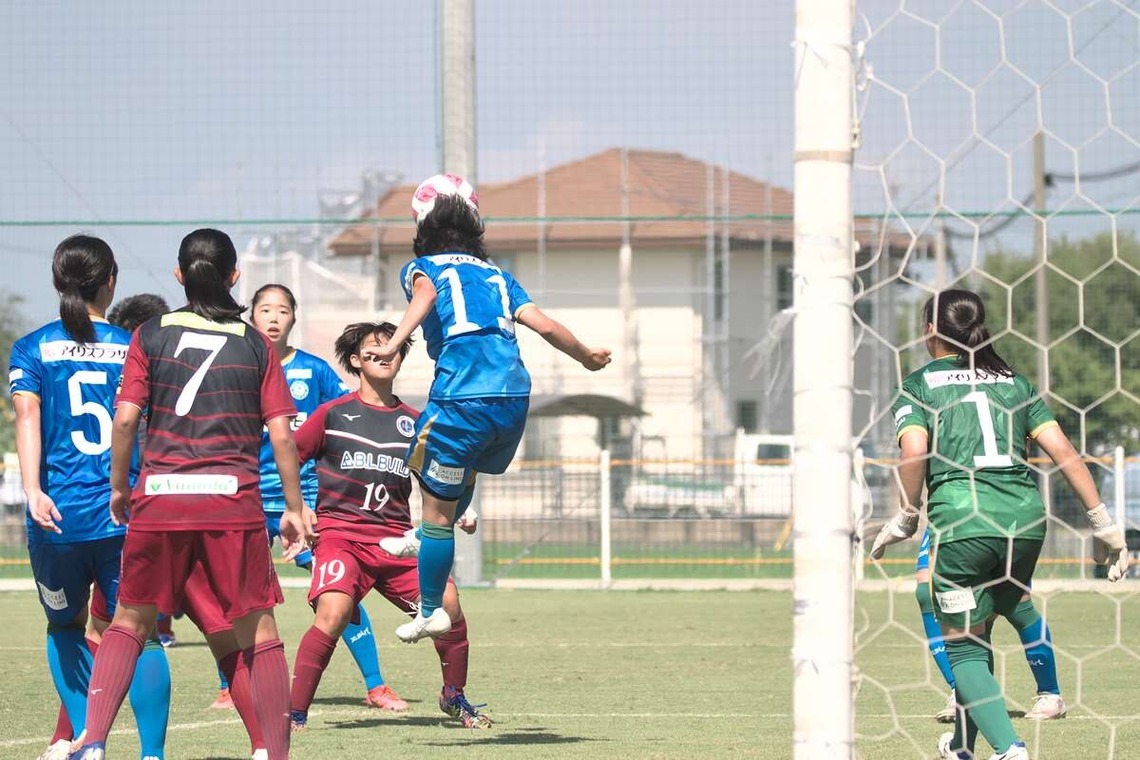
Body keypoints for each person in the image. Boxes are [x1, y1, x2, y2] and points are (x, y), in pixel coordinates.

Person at [70, 228, 316, 760]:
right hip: (232, 503)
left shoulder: (150, 334)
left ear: (179, 275)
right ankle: (274, 753)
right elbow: (281, 434)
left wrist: (119, 487)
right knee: (258, 630)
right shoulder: (254, 343)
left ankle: (93, 743)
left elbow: (126, 419)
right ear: (235, 276)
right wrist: (295, 508)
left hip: (160, 498)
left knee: (128, 621)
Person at [870, 289, 1129, 760]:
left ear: (929, 331)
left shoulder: (919, 384)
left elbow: (914, 453)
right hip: (1025, 523)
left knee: (965, 647)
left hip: (965, 523)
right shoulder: (1014, 382)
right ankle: (962, 744)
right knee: (987, 621)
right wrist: (1101, 521)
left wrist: (907, 516)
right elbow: (1065, 453)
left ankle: (1010, 749)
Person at [373, 174, 611, 643]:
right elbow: (544, 326)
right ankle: (427, 532)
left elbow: (426, 296)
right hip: (513, 398)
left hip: (461, 395)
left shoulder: (422, 267)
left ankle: (428, 609)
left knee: (428, 484)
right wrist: (585, 356)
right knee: (463, 467)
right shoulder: (499, 276)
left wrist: (395, 342)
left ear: (422, 228)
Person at [9, 236, 172, 760]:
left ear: (57, 282)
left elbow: (26, 416)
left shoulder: (31, 347)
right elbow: (153, 426)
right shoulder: (136, 346)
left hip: (58, 516)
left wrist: (33, 491)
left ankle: (87, 740)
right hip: (129, 513)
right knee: (141, 633)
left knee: (64, 625)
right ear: (111, 281)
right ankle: (151, 755)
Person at [289, 321, 492, 730]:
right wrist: (297, 507)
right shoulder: (332, 414)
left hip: (397, 542)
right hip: (342, 537)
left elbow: (437, 480)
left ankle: (454, 696)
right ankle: (293, 714)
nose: (384, 354)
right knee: (334, 611)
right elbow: (288, 456)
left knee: (449, 604)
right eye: (373, 349)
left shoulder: (417, 423)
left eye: (392, 348)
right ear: (355, 361)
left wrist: (460, 512)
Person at [240, 283, 407, 712]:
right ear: (251, 317)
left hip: (306, 500)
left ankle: (375, 684)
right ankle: (232, 682)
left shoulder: (313, 371)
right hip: (248, 494)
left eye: (282, 310)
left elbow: (352, 420)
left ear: (294, 318)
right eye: (265, 309)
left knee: (339, 589)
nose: (273, 317)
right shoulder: (237, 366)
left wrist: (311, 502)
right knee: (239, 590)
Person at [915, 527, 1067, 723]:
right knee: (927, 593)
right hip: (944, 517)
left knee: (1014, 602)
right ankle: (963, 690)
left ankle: (1051, 694)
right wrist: (906, 516)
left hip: (999, 516)